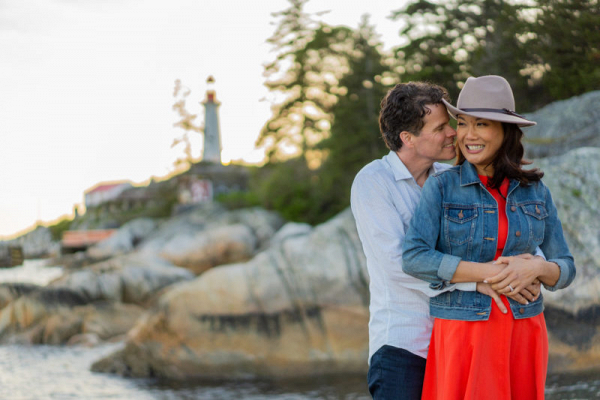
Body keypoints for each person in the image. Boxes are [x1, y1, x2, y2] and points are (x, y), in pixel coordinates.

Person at [350, 81, 540, 400]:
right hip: (403, 349)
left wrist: (533, 264)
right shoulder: (373, 183)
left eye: (450, 124)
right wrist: (478, 281)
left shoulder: (451, 180)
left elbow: (506, 230)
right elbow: (399, 266)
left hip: (456, 343)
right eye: (440, 127)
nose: (453, 133)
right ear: (407, 138)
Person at [402, 75, 576, 400]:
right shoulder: (442, 187)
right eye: (463, 123)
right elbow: (414, 257)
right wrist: (491, 273)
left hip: (525, 328)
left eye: (481, 124)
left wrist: (536, 267)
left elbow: (565, 266)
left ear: (505, 131)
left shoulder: (536, 190)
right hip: (463, 330)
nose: (468, 135)